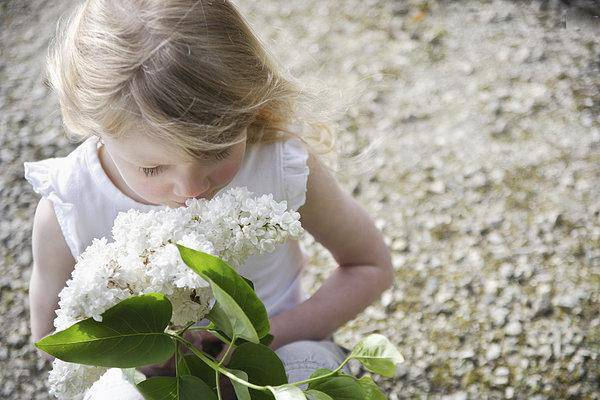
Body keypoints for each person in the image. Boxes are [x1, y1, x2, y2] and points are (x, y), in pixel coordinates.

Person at [24, 0, 393, 397]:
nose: (191, 189)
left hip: (280, 348)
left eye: (217, 152)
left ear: (248, 106)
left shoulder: (279, 165)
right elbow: (50, 338)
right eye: (152, 168)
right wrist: (144, 355)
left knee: (307, 371)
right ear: (90, 124)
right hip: (148, 381)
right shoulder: (72, 205)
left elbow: (369, 267)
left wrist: (263, 341)